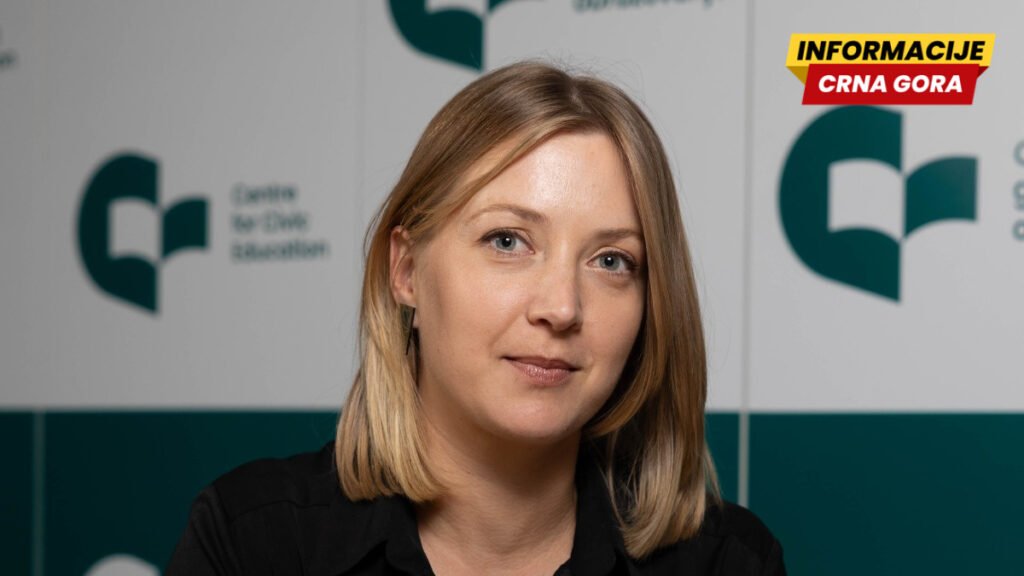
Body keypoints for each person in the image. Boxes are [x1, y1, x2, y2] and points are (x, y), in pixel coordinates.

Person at [167, 60, 785, 576]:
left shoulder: (728, 564)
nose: (561, 308)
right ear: (407, 271)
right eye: (507, 242)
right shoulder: (253, 544)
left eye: (611, 261)